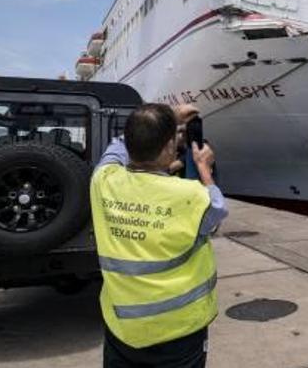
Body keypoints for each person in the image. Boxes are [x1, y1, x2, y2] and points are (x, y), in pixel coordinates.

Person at [90, 104, 228, 368]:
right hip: (179, 331)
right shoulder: (190, 195)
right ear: (168, 147)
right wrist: (204, 168)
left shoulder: (103, 181)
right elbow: (218, 207)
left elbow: (115, 149)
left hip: (123, 328)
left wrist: (167, 118)